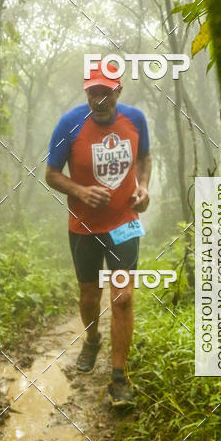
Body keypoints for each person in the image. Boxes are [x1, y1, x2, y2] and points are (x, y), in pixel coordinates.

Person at [45, 60, 152, 406]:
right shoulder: (69, 123)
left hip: (124, 222)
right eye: (93, 92)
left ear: (118, 91)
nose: (99, 99)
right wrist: (79, 191)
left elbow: (145, 158)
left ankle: (119, 379)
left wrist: (144, 187)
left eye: (105, 92)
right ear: (86, 92)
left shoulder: (135, 120)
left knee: (122, 298)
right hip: (84, 226)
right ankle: (92, 339)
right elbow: (51, 174)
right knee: (90, 295)